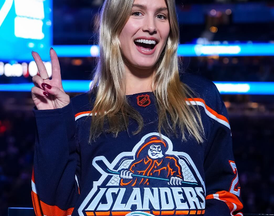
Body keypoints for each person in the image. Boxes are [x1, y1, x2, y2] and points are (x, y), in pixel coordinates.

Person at [30, 0, 243, 215]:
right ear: (114, 24)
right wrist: (54, 121)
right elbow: (53, 210)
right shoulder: (79, 113)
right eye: (137, 13)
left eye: (161, 16)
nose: (151, 26)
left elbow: (224, 197)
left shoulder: (202, 100)